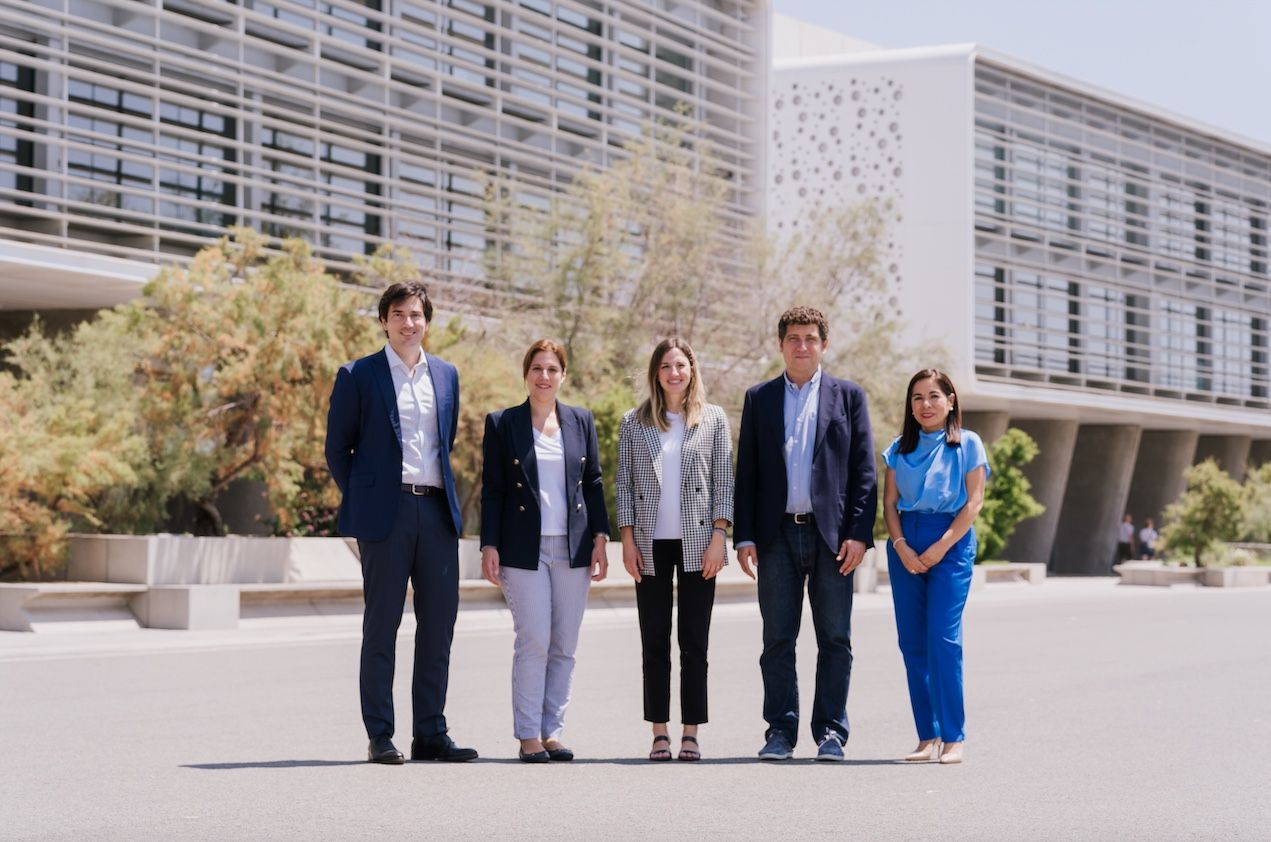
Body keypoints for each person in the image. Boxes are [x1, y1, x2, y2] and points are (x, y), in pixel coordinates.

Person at [324, 281, 477, 764]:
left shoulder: (447, 375)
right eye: (398, 314)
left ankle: (430, 732)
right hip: (385, 516)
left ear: (426, 320)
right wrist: (366, 497)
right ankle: (381, 733)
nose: (408, 323)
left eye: (416, 314)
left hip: (435, 511)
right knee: (382, 625)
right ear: (384, 321)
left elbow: (443, 441)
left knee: (439, 626)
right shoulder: (358, 374)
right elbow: (337, 449)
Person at [734, 307, 877, 762]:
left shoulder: (849, 397)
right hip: (776, 536)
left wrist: (858, 533)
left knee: (835, 637)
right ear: (781, 344)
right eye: (793, 338)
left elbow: (864, 471)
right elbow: (748, 472)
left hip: (833, 538)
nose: (802, 346)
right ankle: (780, 730)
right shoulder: (759, 398)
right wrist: (745, 535)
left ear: (823, 345)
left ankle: (831, 732)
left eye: (810, 338)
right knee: (777, 639)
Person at [480, 339, 610, 763]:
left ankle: (553, 732)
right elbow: (494, 490)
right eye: (537, 368)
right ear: (526, 373)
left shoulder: (580, 421)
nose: (544, 376)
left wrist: (601, 539)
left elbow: (593, 482)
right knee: (534, 639)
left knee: (565, 644)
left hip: (572, 546)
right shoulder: (502, 423)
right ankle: (528, 735)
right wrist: (489, 544)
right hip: (523, 547)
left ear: (563, 375)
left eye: (552, 369)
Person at [617, 338, 735, 762]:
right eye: (666, 366)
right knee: (654, 641)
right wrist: (627, 541)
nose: (674, 373)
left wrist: (720, 537)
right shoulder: (634, 422)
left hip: (699, 543)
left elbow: (725, 481)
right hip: (649, 545)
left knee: (694, 642)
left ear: (692, 370)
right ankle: (659, 732)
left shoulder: (714, 420)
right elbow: (624, 486)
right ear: (656, 373)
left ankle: (691, 731)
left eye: (681, 365)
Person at [881, 368, 989, 766]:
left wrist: (942, 546)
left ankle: (953, 736)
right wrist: (901, 545)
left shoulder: (968, 444)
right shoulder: (898, 449)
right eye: (917, 398)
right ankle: (927, 736)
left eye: (933, 396)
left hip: (952, 541)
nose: (925, 405)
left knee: (943, 639)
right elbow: (889, 504)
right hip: (906, 541)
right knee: (912, 642)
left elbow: (973, 502)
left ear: (951, 401)